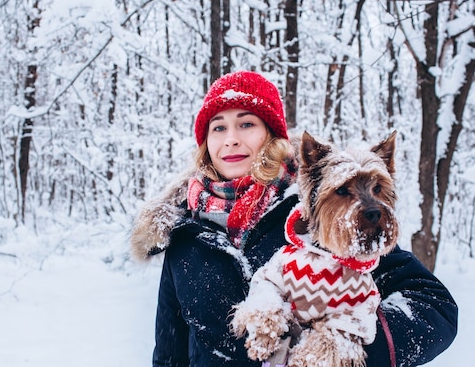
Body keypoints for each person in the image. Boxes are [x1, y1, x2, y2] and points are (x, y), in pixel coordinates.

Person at [131, 70, 458, 367]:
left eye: (246, 123)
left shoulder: (320, 214)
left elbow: (434, 309)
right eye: (218, 127)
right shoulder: (183, 232)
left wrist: (341, 350)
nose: (231, 138)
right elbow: (170, 353)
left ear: (272, 138)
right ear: (206, 144)